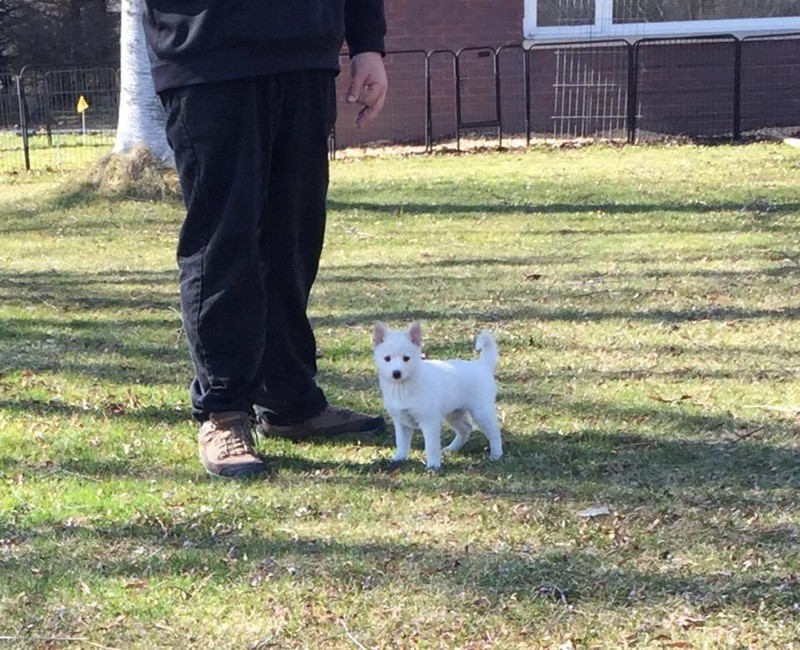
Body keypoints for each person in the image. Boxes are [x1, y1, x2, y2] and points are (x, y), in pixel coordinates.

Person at [142, 0, 389, 478]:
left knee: (294, 238)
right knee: (224, 242)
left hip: (305, 55)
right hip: (209, 53)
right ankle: (224, 410)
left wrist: (367, 44)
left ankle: (291, 400)